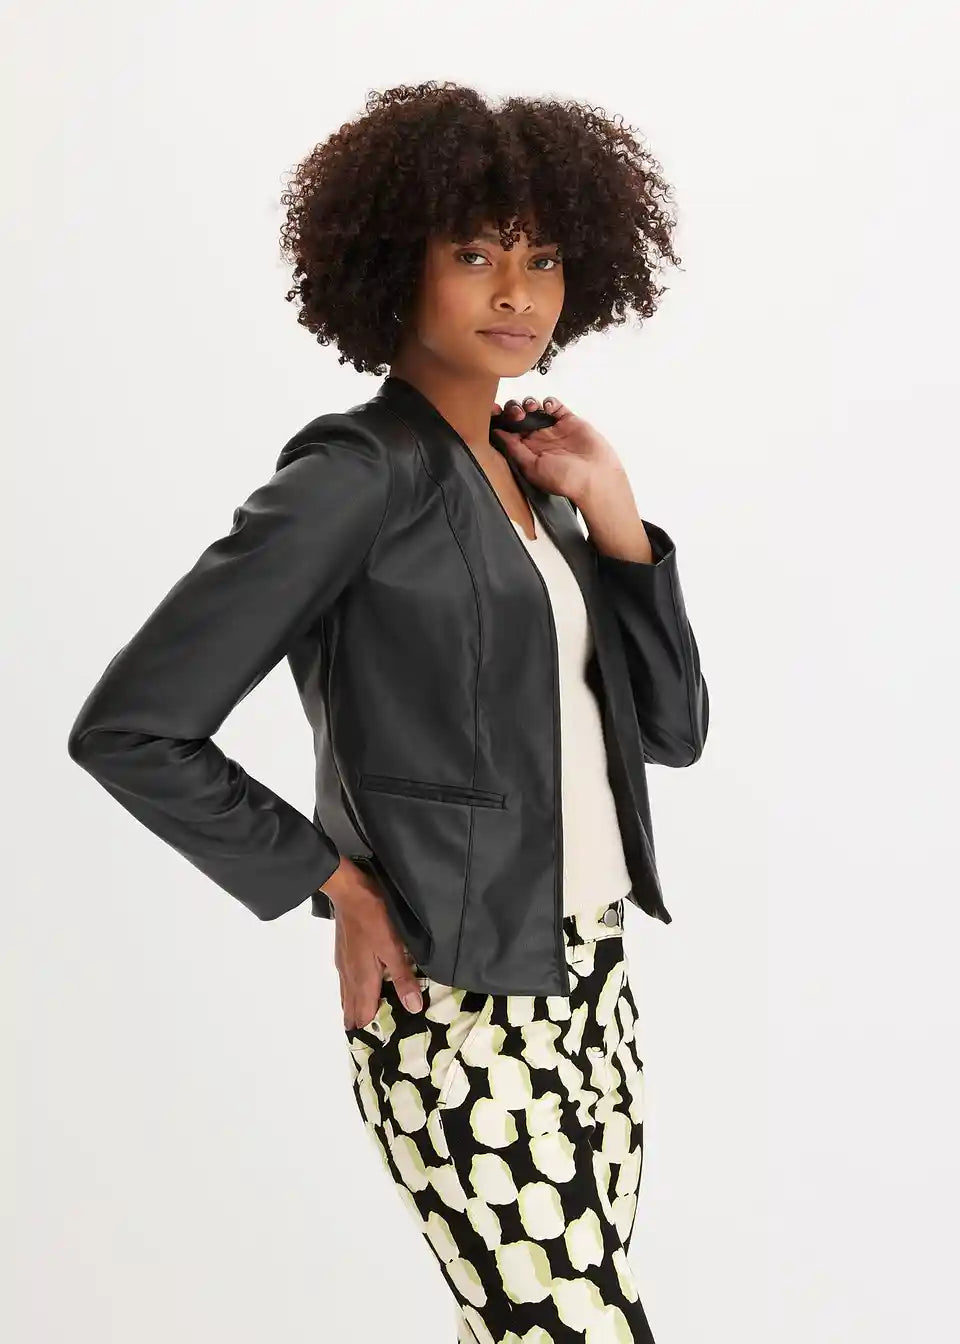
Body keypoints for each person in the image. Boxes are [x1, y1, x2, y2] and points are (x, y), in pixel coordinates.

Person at [67, 80, 709, 1343]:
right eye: (473, 255)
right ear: (392, 266)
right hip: (454, 997)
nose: (516, 292)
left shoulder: (538, 483)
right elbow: (134, 725)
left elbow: (670, 731)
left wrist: (614, 510)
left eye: (542, 258)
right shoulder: (355, 477)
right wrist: (335, 884)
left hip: (590, 976)